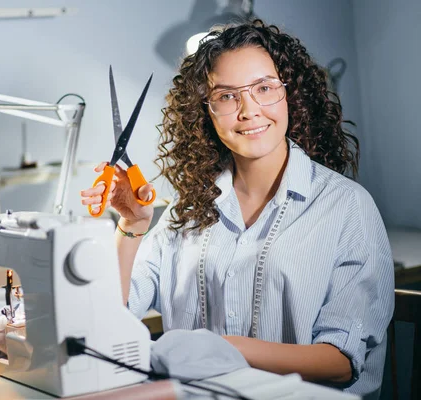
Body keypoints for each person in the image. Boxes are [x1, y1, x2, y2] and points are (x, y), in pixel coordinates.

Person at [80, 20, 394, 398]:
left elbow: (340, 363)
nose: (248, 110)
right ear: (207, 112)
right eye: (227, 96)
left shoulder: (346, 207)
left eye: (264, 88)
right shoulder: (190, 208)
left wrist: (224, 351)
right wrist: (132, 224)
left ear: (289, 95)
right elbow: (114, 317)